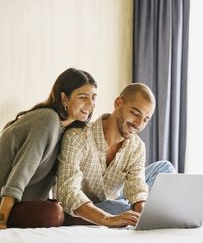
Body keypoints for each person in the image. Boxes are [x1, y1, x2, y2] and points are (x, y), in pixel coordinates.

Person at [0, 68, 97, 231]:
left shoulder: (68, 133)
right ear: (64, 98)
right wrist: (0, 219)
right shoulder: (48, 119)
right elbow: (21, 171)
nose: (90, 104)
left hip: (24, 207)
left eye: (93, 98)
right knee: (54, 213)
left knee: (90, 214)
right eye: (83, 97)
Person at [56, 83, 175, 228]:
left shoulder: (137, 147)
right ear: (118, 103)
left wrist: (143, 213)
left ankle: (141, 213)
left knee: (165, 168)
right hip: (85, 207)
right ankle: (131, 211)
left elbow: (136, 188)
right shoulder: (77, 137)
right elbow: (67, 191)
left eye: (145, 119)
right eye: (135, 113)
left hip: (115, 198)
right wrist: (107, 219)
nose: (139, 124)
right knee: (119, 207)